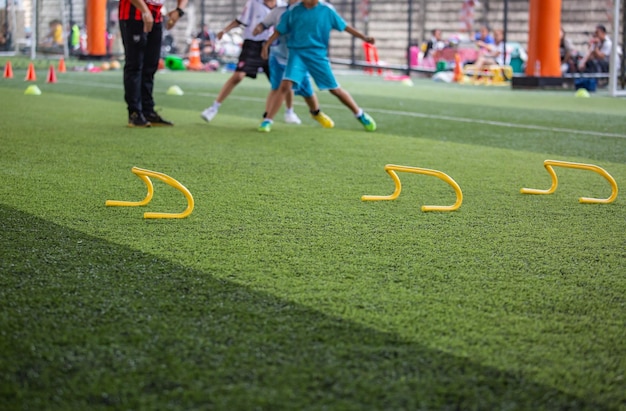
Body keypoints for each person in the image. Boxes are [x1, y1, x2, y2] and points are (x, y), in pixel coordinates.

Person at [258, 0, 376, 132]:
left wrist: (364, 37)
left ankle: (360, 114)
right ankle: (267, 120)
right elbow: (280, 29)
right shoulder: (294, 10)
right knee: (285, 85)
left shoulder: (327, 10)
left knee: (334, 89)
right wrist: (267, 44)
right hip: (297, 54)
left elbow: (344, 26)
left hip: (317, 55)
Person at [200, 0, 301, 125]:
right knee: (238, 76)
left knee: (285, 81)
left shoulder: (283, 6)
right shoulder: (253, 3)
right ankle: (213, 108)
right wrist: (225, 30)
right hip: (253, 45)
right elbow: (241, 20)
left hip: (274, 46)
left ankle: (288, 112)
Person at [252, 0, 334, 131]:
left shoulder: (308, 12)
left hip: (299, 58)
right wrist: (259, 28)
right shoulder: (278, 12)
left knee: (307, 91)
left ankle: (316, 113)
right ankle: (267, 118)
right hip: (278, 56)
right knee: (277, 87)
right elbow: (264, 24)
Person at [119, 0, 188, 127]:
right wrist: (144, 10)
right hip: (133, 15)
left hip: (156, 18)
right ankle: (134, 113)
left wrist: (179, 10)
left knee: (150, 66)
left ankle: (147, 111)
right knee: (134, 65)